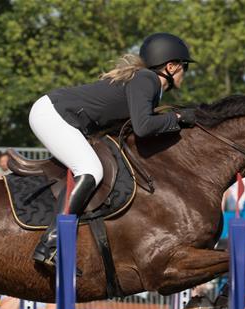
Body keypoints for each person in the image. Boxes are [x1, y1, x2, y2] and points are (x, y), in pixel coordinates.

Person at [27, 32, 197, 268]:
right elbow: (144, 126)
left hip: (60, 116)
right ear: (171, 66)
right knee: (90, 170)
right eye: (184, 67)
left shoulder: (147, 83)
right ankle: (50, 245)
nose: (186, 74)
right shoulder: (147, 79)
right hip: (53, 115)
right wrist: (177, 118)